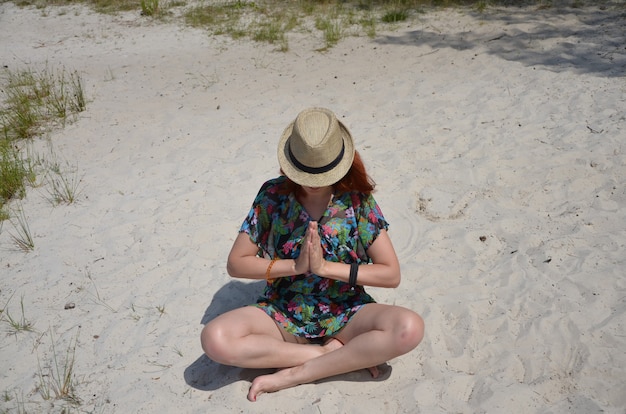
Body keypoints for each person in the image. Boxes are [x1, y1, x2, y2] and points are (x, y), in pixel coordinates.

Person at [201, 107, 424, 402]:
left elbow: (390, 273)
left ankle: (298, 372)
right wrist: (295, 266)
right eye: (305, 171)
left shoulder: (357, 201)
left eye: (319, 171)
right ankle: (331, 356)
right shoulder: (272, 196)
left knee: (409, 328)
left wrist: (325, 268)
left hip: (347, 314)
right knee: (214, 339)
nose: (313, 180)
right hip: (283, 312)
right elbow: (236, 264)